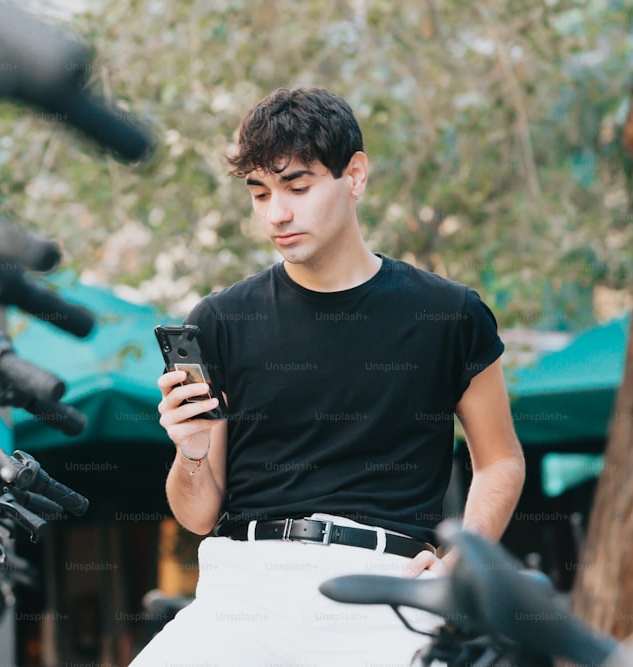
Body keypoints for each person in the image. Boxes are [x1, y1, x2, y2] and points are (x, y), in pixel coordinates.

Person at [130, 87, 525, 666]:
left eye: (297, 187)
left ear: (356, 175)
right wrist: (190, 451)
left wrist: (463, 560)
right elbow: (196, 516)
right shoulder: (219, 320)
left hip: (386, 590)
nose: (276, 214)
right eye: (260, 193)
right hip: (243, 591)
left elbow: (501, 459)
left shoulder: (450, 315)